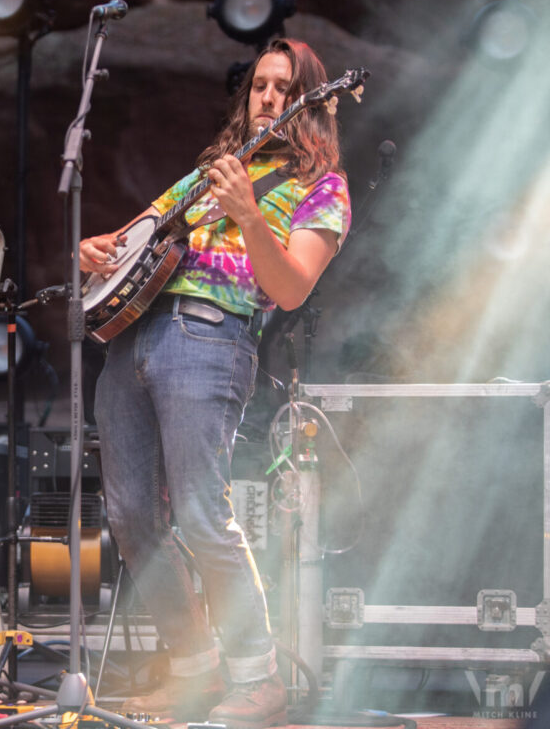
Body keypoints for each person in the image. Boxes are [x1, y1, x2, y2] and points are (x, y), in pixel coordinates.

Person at [80, 38, 350, 728]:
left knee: (202, 515)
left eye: (283, 87)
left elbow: (289, 288)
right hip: (133, 336)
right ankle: (196, 671)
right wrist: (99, 249)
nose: (266, 97)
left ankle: (259, 676)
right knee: (132, 516)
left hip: (210, 337)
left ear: (311, 99)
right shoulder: (215, 169)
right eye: (259, 85)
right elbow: (138, 233)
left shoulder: (323, 187)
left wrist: (249, 216)